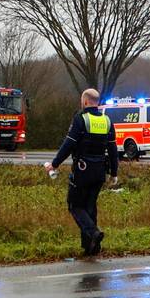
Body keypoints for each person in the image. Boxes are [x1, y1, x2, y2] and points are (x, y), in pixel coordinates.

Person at [48, 88, 118, 255]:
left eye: (82, 101)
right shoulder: (107, 121)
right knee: (90, 207)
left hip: (83, 170)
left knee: (75, 205)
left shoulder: (81, 119)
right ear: (97, 102)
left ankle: (93, 233)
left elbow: (69, 144)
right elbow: (113, 149)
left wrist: (54, 164)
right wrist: (114, 173)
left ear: (86, 101)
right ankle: (91, 248)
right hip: (100, 171)